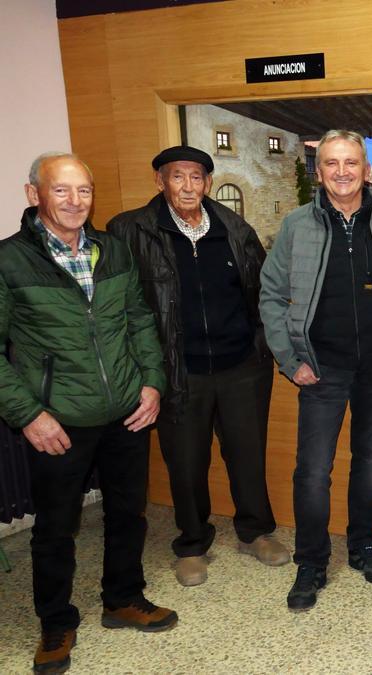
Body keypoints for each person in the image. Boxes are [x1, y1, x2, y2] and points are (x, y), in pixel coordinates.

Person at [2, 152, 176, 673]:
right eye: (61, 190)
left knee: (128, 513)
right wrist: (29, 414)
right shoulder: (10, 261)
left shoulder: (112, 249)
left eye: (84, 190)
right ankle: (56, 623)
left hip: (126, 411)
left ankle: (123, 598)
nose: (75, 201)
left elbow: (139, 320)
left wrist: (152, 383)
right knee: (56, 529)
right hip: (57, 420)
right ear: (34, 194)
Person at [108, 145, 286, 587]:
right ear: (160, 181)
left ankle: (256, 532)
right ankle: (191, 543)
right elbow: (120, 307)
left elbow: (261, 292)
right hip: (177, 370)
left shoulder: (234, 228)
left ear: (207, 183)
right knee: (185, 463)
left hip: (242, 366)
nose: (187, 186)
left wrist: (262, 347)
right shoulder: (130, 231)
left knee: (247, 455)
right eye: (177, 176)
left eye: (196, 177)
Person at [259, 129, 372, 611]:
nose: (342, 172)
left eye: (351, 162)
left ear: (366, 170)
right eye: (331, 163)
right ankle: (311, 561)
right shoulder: (296, 226)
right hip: (321, 369)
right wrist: (290, 361)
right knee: (312, 471)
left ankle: (363, 545)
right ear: (319, 171)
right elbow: (271, 295)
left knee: (371, 460)